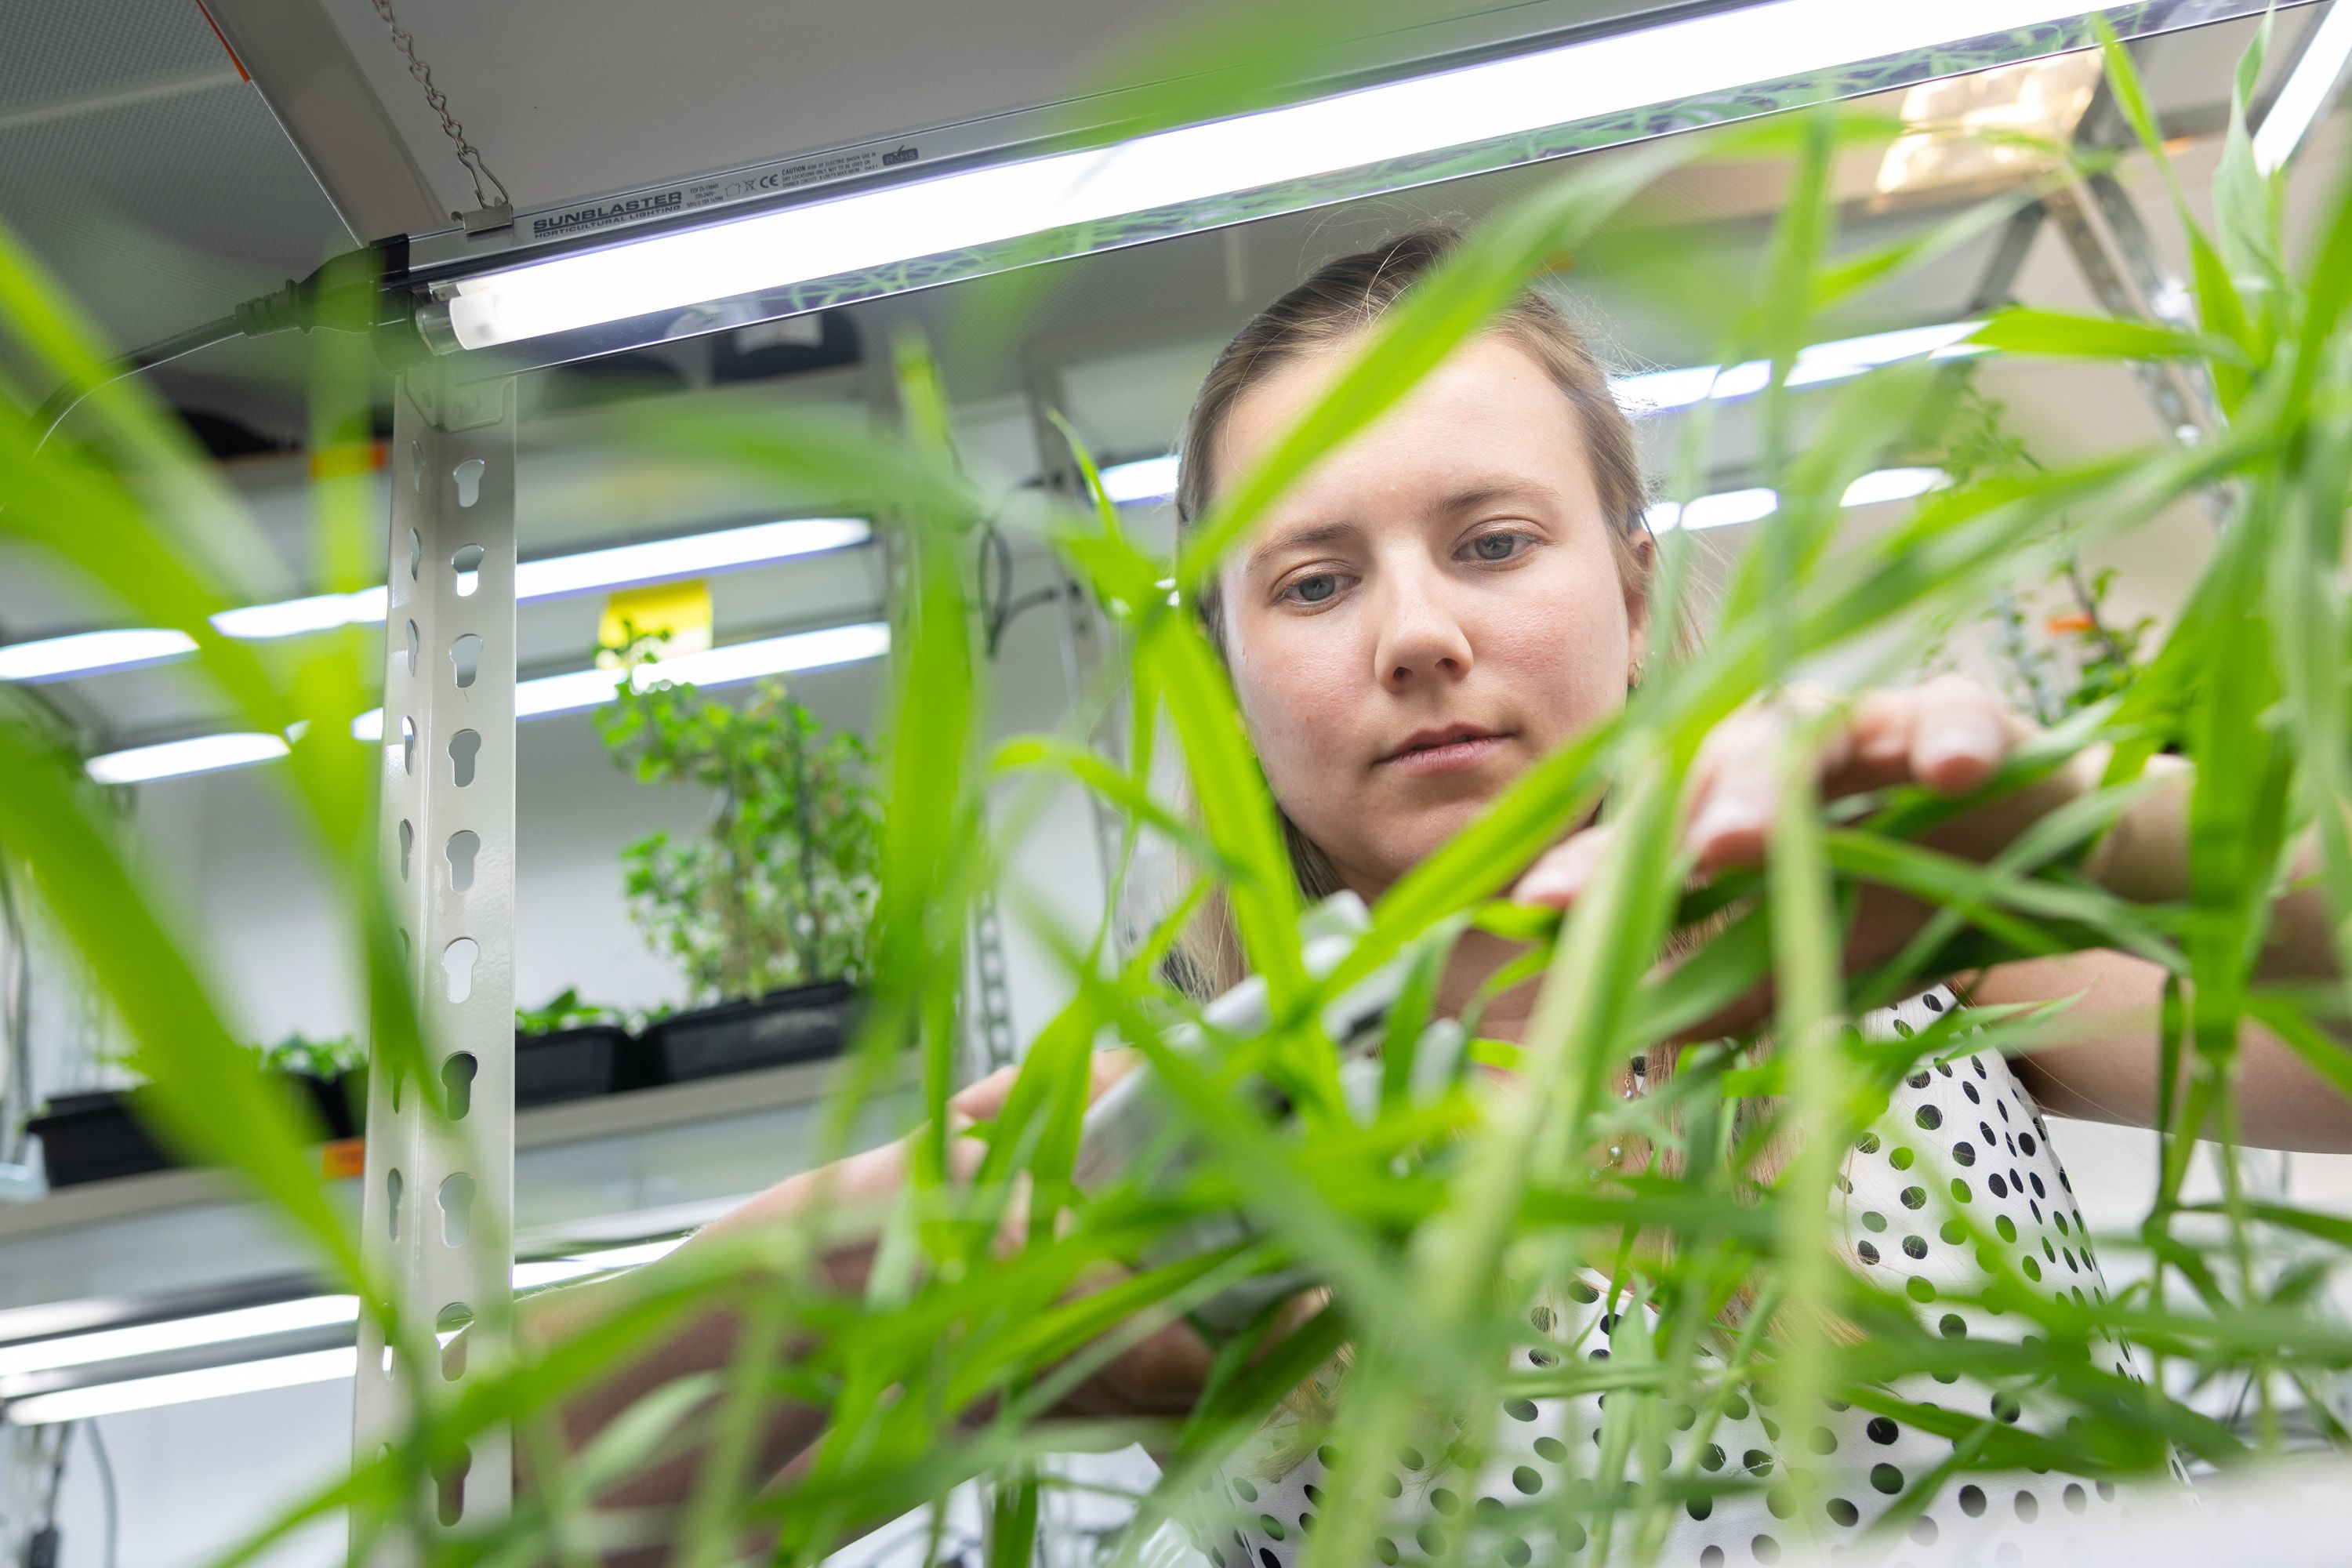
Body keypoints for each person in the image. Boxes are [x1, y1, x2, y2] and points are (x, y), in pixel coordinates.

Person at [524, 229, 2352, 1563]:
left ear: (1633, 594)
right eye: (1312, 582)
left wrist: (2080, 827)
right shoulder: (1178, 1116)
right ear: (1224, 664)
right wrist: (907, 1233)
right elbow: (510, 1492)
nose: (1417, 635)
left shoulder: (1898, 946)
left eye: (1492, 543)